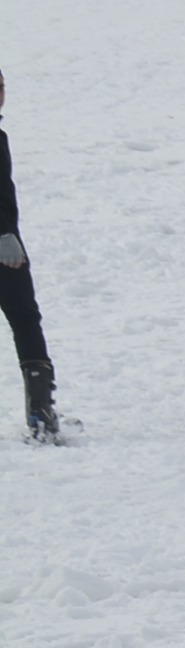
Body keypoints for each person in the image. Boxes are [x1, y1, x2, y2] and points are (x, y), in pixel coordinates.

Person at [4, 74, 57, 444]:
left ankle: (40, 412)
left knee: (26, 320)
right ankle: (39, 412)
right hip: (5, 248)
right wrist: (6, 235)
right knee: (25, 320)